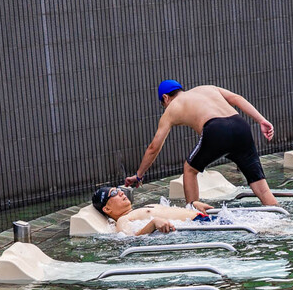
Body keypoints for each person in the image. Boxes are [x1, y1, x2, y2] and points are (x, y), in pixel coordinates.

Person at [125, 80, 278, 206]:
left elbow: (154, 147)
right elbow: (237, 98)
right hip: (241, 126)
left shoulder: (172, 107)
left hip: (216, 129)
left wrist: (139, 176)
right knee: (262, 188)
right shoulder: (207, 88)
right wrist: (261, 120)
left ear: (165, 98)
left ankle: (195, 214)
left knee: (189, 169)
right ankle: (279, 215)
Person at [91, 186, 212, 236]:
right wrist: (153, 224)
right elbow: (130, 239)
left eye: (118, 189)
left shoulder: (144, 207)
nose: (121, 192)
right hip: (202, 229)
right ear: (107, 209)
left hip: (205, 221)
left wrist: (192, 206)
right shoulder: (123, 220)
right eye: (114, 193)